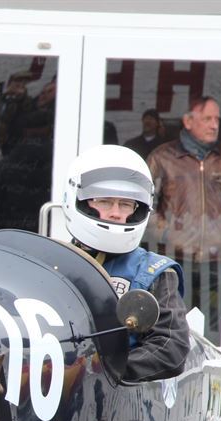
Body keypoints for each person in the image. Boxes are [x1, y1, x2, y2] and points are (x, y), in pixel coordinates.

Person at [61, 145, 190, 382]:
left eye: (125, 204)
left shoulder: (156, 272)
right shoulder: (52, 264)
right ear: (78, 200)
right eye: (104, 201)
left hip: (118, 404)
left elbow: (170, 348)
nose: (116, 213)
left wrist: (101, 373)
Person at [146, 95, 221, 264]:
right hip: (172, 259)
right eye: (207, 119)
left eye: (216, 119)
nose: (214, 125)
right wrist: (167, 234)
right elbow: (146, 205)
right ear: (188, 121)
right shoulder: (162, 157)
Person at [0, 110, 53, 233]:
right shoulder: (59, 162)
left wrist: (7, 228)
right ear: (49, 129)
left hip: (13, 234)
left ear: (25, 131)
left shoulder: (9, 161)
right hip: (49, 233)